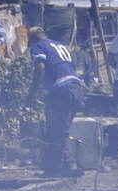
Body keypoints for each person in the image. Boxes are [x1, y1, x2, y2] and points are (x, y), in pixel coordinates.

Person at [26, 27, 85, 177]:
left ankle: (66, 165)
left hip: (62, 91)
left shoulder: (38, 45)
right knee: (60, 130)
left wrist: (32, 94)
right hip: (77, 89)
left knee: (55, 129)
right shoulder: (60, 46)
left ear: (32, 39)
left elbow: (40, 68)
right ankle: (56, 166)